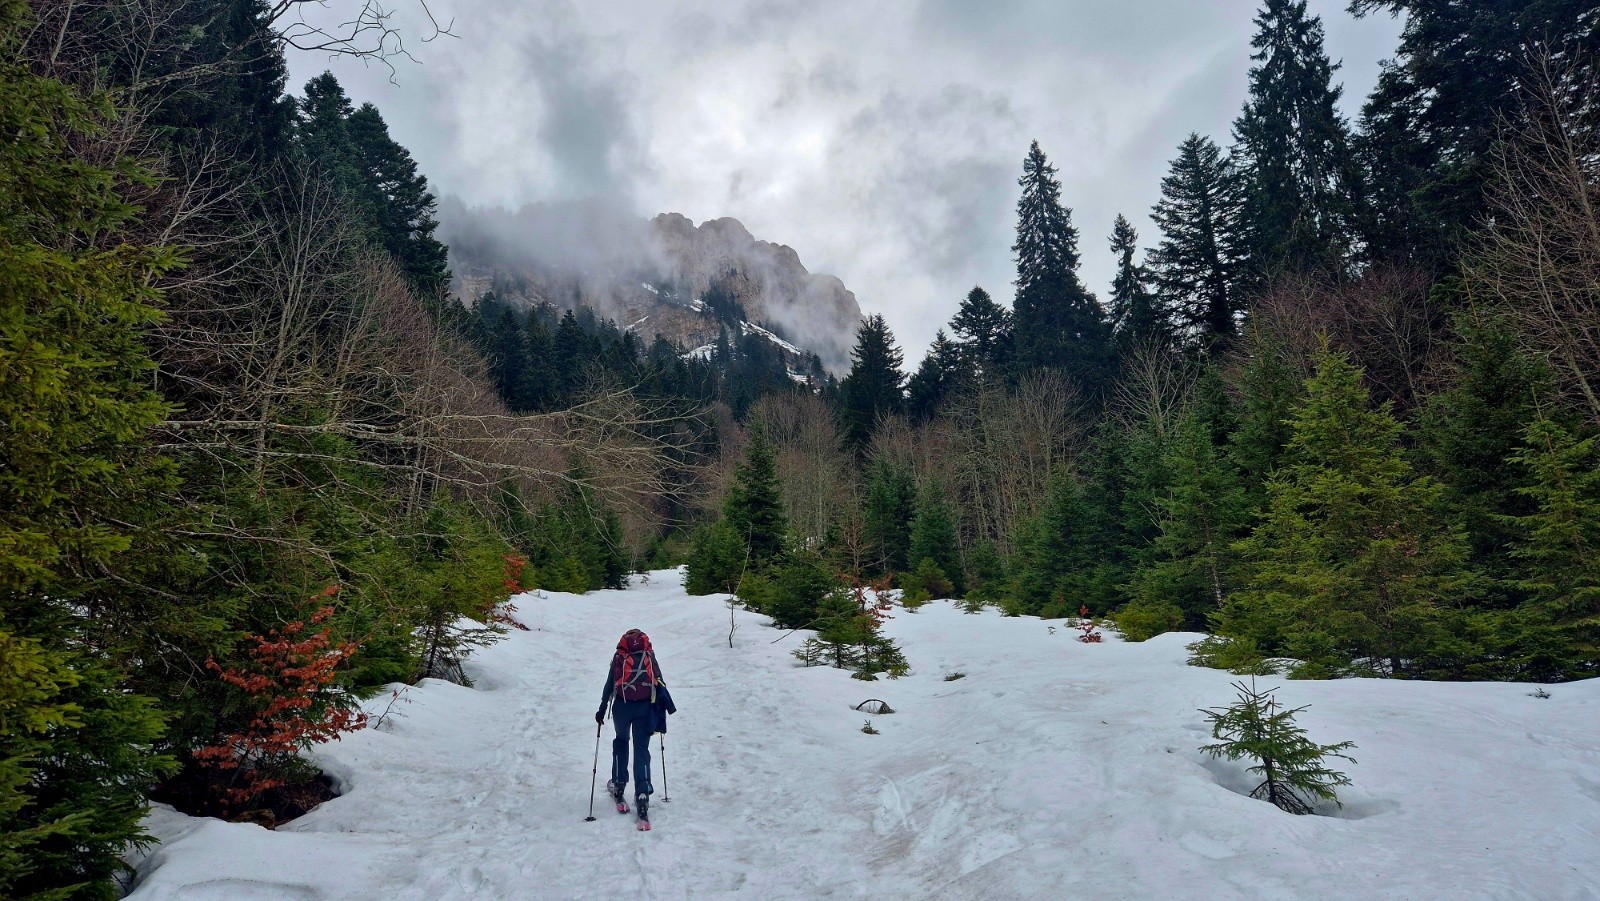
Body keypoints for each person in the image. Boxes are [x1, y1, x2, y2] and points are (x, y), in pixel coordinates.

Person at [596, 629, 673, 828]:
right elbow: (659, 680)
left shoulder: (619, 656)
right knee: (641, 749)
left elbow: (609, 684)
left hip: (622, 706)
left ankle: (619, 787)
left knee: (621, 742)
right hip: (645, 707)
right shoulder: (649, 655)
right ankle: (642, 794)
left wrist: (602, 708)